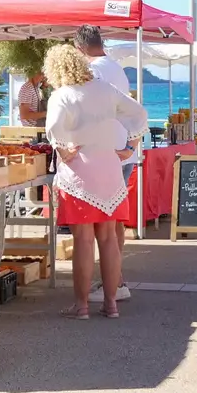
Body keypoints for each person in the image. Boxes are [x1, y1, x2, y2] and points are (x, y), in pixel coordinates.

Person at [44, 44, 149, 320]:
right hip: (110, 171)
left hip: (79, 173)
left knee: (83, 241)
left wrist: (63, 148)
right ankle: (111, 304)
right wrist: (131, 146)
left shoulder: (61, 95)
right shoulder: (106, 90)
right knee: (109, 239)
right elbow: (138, 113)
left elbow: (53, 127)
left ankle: (81, 307)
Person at [78, 25, 139, 303]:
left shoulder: (94, 72)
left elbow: (90, 113)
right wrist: (131, 144)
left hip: (103, 153)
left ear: (79, 47)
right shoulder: (117, 68)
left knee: (96, 227)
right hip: (120, 148)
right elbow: (132, 110)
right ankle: (116, 283)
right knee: (113, 221)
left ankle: (111, 287)